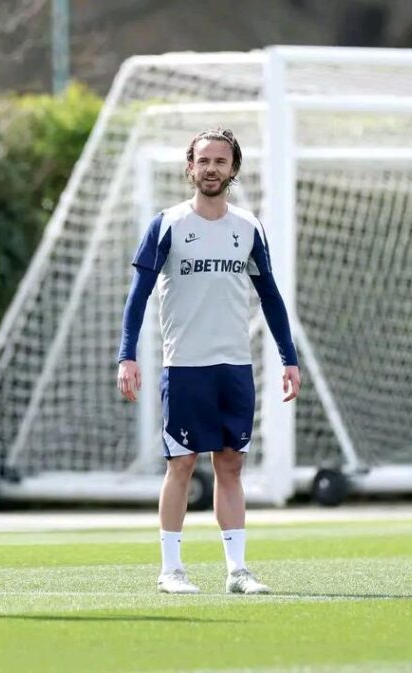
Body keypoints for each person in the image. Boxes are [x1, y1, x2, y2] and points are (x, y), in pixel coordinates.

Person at [117, 128, 301, 595]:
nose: (212, 169)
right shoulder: (167, 225)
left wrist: (289, 358)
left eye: (221, 161)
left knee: (232, 464)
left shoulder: (249, 227)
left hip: (234, 367)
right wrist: (127, 357)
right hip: (184, 368)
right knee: (181, 464)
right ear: (190, 168)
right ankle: (171, 569)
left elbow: (271, 298)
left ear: (234, 168)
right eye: (204, 161)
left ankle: (237, 570)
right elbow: (137, 298)